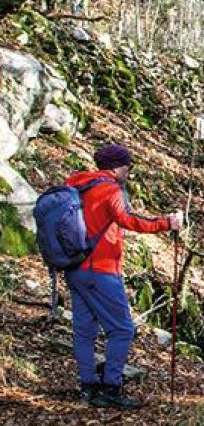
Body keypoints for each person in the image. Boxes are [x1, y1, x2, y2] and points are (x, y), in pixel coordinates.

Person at [64, 143, 184, 408]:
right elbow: (128, 219)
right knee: (121, 329)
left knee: (84, 331)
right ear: (117, 167)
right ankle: (111, 388)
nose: (129, 172)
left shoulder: (77, 186)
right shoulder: (109, 189)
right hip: (101, 270)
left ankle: (88, 386)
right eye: (128, 167)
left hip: (74, 269)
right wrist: (167, 223)